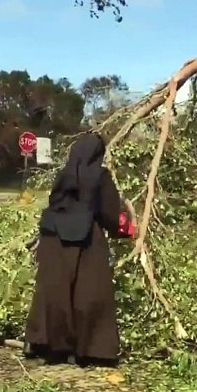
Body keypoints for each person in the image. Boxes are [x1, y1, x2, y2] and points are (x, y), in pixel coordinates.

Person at [25, 133, 130, 366]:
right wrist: (124, 230)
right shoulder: (100, 176)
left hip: (53, 238)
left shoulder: (64, 175)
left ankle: (47, 344)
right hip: (86, 239)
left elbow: (54, 203)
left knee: (53, 292)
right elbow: (110, 214)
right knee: (90, 294)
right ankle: (90, 350)